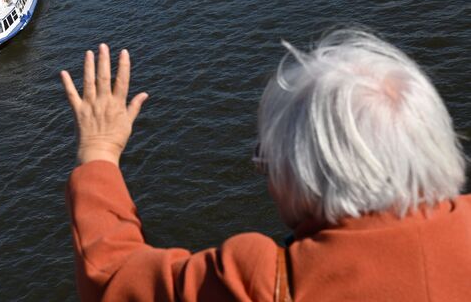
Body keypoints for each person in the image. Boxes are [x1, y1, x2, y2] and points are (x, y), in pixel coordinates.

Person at [61, 30, 470, 302]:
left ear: (306, 179)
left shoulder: (265, 283)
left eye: (268, 161)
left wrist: (99, 152)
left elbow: (111, 278)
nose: (267, 176)